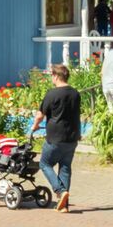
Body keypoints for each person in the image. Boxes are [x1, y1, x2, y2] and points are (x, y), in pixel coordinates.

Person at [33, 63, 81, 212]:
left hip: (55, 137)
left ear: (56, 76)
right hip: (71, 137)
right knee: (65, 168)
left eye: (51, 75)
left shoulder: (52, 94)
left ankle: (60, 191)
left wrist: (34, 126)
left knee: (45, 164)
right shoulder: (75, 94)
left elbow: (41, 114)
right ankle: (64, 205)